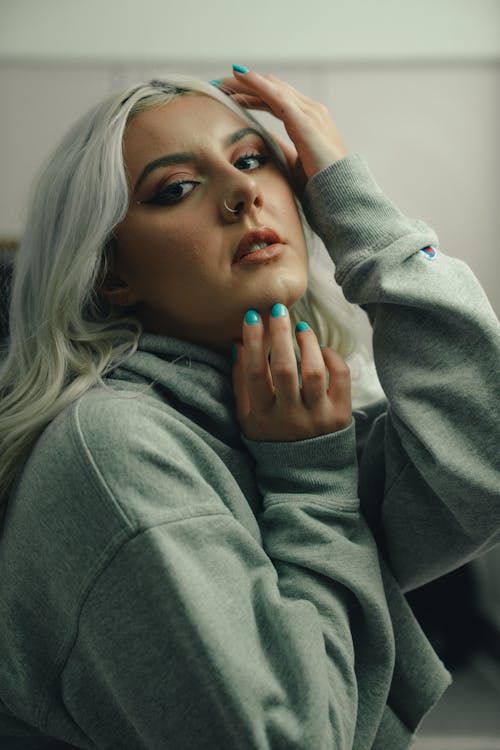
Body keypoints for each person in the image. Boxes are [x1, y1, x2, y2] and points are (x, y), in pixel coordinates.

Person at [0, 65, 498, 750]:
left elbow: (485, 465)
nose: (241, 193)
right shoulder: (114, 452)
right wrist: (311, 480)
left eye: (253, 159)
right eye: (176, 188)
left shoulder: (281, 412)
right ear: (111, 273)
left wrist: (351, 200)